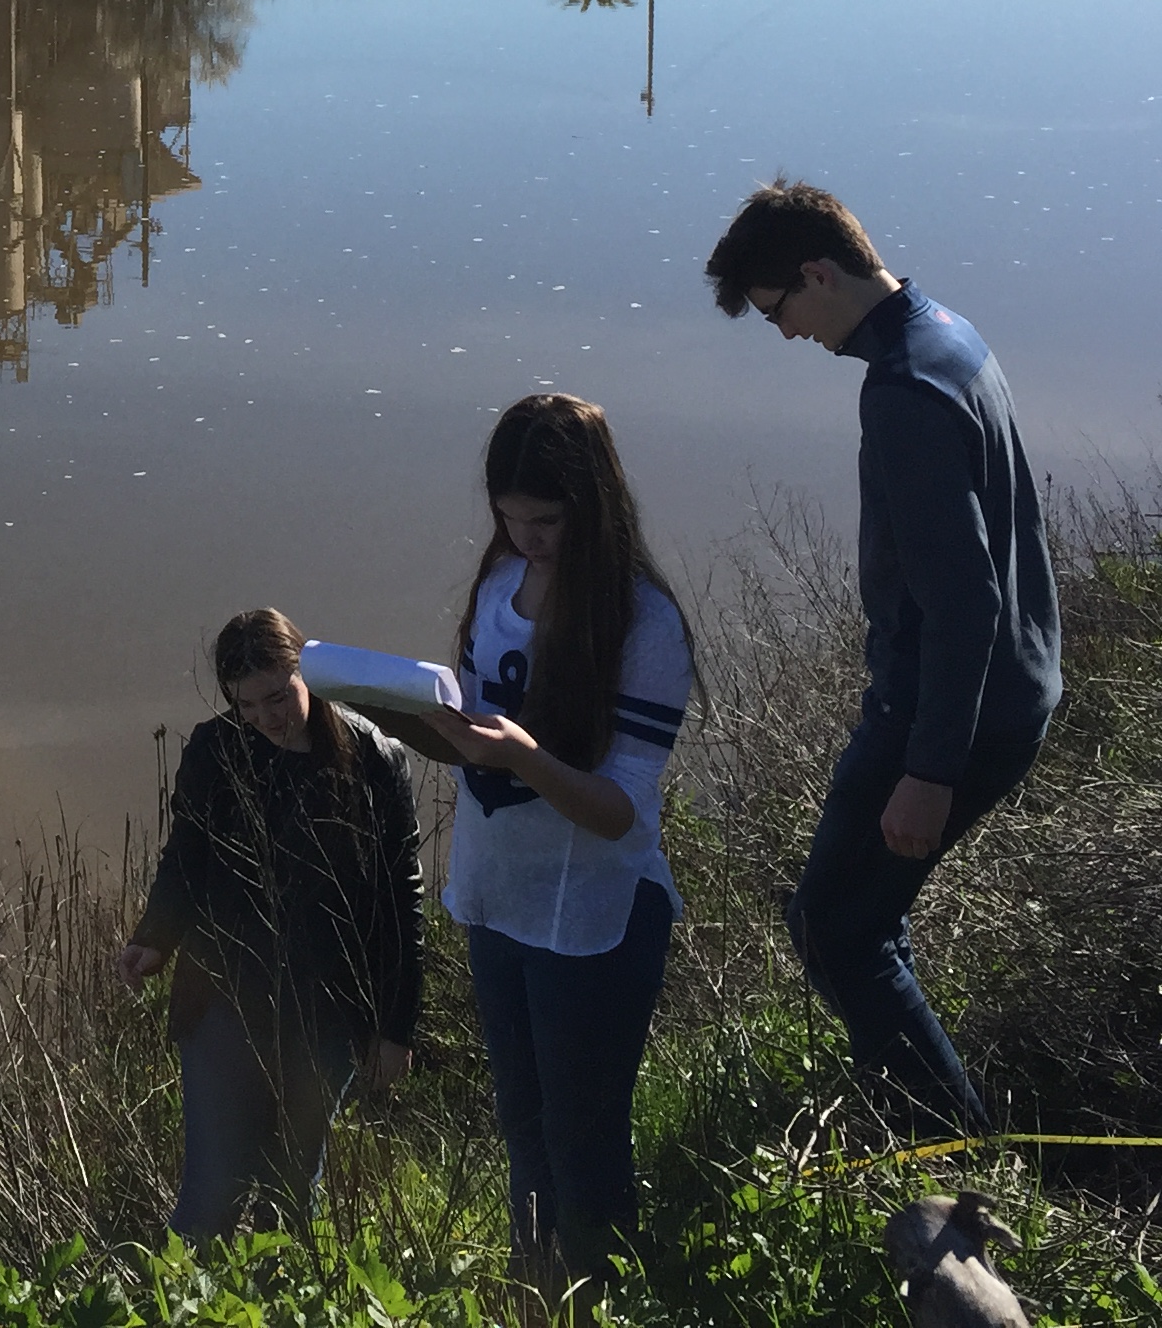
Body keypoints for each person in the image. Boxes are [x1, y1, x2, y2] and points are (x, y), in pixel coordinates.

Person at [705, 180, 1060, 1126]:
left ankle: (950, 1153)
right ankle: (919, 1115)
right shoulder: (948, 334)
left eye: (779, 309)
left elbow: (964, 599)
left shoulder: (901, 393)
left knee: (835, 931)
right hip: (1010, 691)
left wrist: (930, 768)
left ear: (819, 272)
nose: (783, 335)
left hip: (945, 717)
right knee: (860, 922)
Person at [389, 393, 695, 1289]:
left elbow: (623, 815)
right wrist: (421, 724)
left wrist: (526, 757)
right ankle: (536, 1294)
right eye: (510, 517)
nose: (528, 537)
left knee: (584, 1139)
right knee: (522, 1121)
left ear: (593, 507)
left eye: (548, 519)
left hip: (595, 915)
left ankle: (602, 1298)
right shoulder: (497, 590)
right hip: (500, 900)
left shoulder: (643, 625)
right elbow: (481, 737)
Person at [118, 608, 423, 1242]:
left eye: (279, 696)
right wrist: (153, 939)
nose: (267, 718)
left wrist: (394, 1028)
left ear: (304, 670)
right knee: (211, 1191)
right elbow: (185, 860)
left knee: (291, 1192)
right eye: (248, 705)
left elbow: (401, 899)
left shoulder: (373, 756)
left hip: (331, 1009)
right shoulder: (216, 750)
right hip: (224, 998)